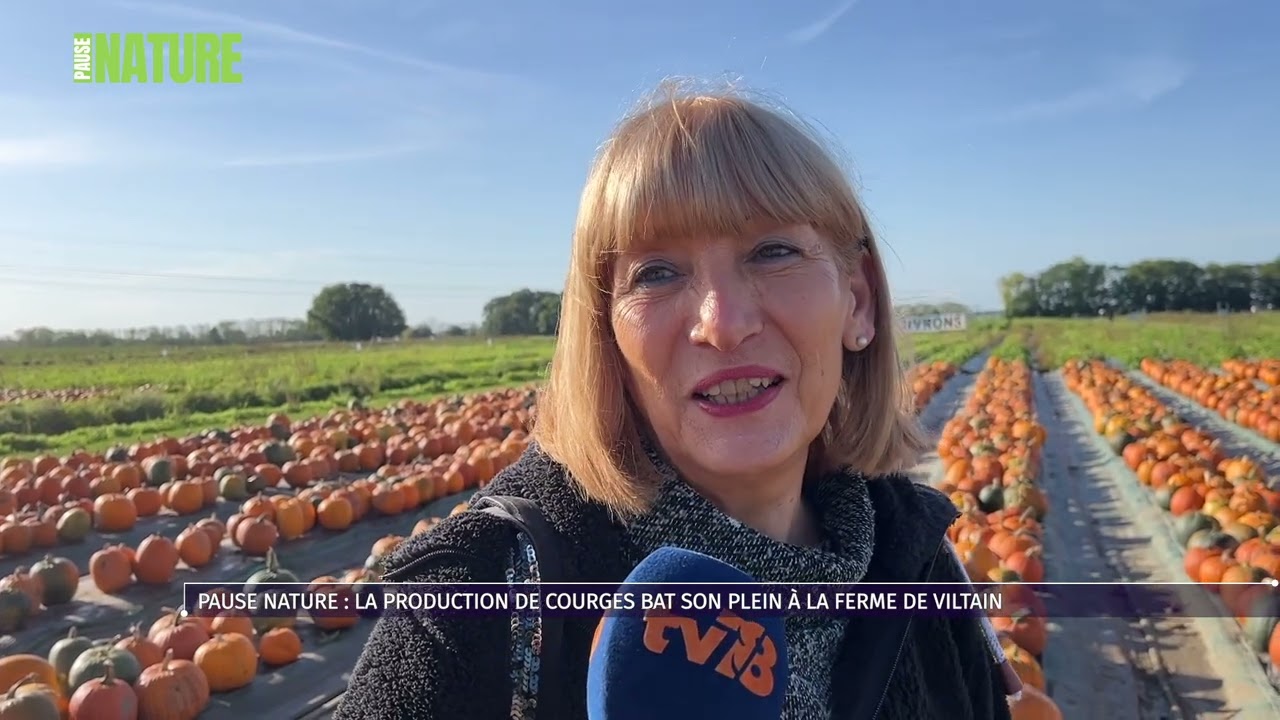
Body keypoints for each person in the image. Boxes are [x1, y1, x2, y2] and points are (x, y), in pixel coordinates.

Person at [334, 80, 1015, 720]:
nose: (721, 321)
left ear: (857, 301)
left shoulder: (916, 556)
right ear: (607, 336)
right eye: (655, 273)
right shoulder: (489, 590)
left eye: (773, 251)